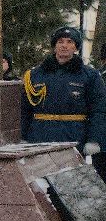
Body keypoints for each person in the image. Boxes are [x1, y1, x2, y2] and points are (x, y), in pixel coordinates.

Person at [21, 27, 106, 182]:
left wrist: (95, 139)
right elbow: (25, 110)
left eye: (70, 42)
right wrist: (22, 136)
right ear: (54, 46)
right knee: (39, 184)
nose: (64, 45)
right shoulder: (35, 75)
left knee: (70, 185)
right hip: (40, 135)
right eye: (60, 42)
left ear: (76, 47)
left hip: (73, 136)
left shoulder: (90, 76)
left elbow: (99, 110)